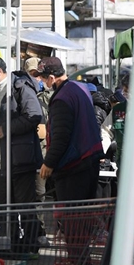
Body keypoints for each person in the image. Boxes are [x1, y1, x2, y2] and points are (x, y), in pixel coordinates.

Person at [0, 56, 44, 254]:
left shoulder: (19, 86)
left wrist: (7, 128)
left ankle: (31, 246)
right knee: (6, 208)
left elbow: (34, 115)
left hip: (19, 160)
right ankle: (11, 245)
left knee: (24, 205)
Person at [36, 57, 103, 200]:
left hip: (75, 166)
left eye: (43, 79)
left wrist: (48, 163)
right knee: (84, 217)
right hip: (90, 158)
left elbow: (61, 136)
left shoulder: (62, 98)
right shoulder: (80, 88)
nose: (42, 82)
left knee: (72, 217)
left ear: (52, 78)